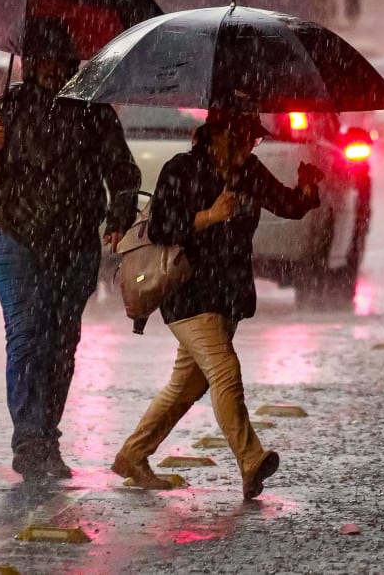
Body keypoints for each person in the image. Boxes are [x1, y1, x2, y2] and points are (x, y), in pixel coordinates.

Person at [0, 20, 141, 481]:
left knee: (61, 344)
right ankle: (28, 438)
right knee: (25, 334)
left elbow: (123, 173)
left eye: (61, 62)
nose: (53, 72)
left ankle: (47, 434)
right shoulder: (8, 109)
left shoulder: (94, 113)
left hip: (75, 246)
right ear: (31, 63)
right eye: (44, 62)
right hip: (16, 240)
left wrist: (118, 217)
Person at [110, 110, 324, 499]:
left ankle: (133, 454)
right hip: (188, 293)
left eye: (253, 141)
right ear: (217, 136)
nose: (248, 148)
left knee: (185, 386)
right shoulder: (181, 169)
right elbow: (160, 227)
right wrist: (210, 216)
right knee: (225, 370)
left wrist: (306, 192)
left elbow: (285, 204)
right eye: (242, 140)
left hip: (227, 294)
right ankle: (251, 460)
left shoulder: (249, 171)